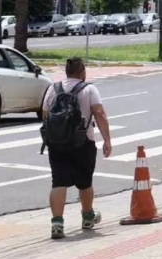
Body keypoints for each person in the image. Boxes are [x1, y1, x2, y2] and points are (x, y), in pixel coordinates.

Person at [41, 57, 113, 239]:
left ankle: (57, 223)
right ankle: (87, 216)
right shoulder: (89, 89)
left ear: (66, 72)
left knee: (58, 182)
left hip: (57, 143)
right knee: (85, 182)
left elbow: (45, 114)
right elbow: (100, 113)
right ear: (82, 73)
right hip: (83, 142)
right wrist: (107, 140)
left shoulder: (52, 89)